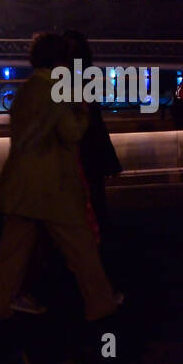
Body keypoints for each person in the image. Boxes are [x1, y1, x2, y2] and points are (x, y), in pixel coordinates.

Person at [0, 32, 119, 323]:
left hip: (20, 185)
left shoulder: (28, 89)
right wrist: (82, 112)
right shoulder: (59, 89)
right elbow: (72, 133)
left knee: (11, 255)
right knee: (82, 251)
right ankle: (101, 305)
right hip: (53, 186)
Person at [62, 29, 121, 233]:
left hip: (81, 134)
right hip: (92, 133)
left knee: (82, 183)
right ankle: (97, 224)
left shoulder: (70, 72)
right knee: (93, 183)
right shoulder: (86, 69)